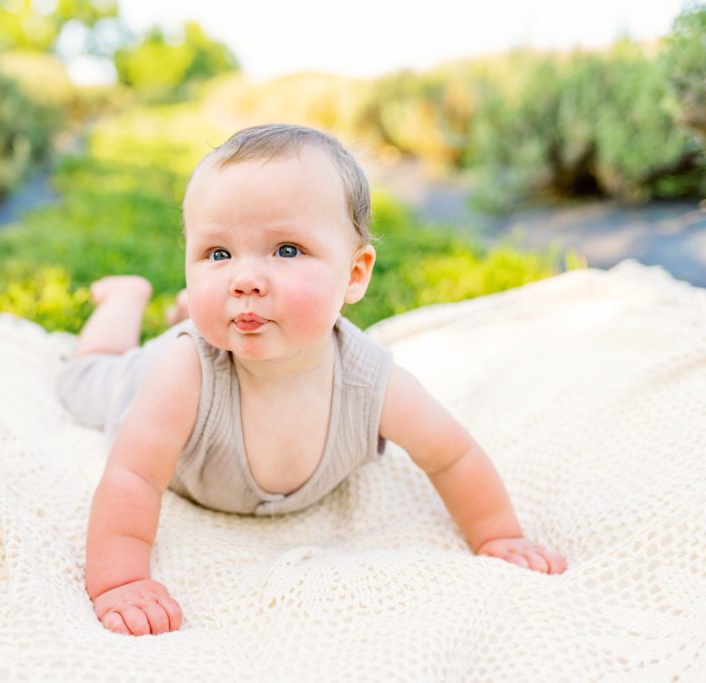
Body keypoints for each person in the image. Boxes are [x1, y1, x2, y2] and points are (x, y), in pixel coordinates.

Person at [56, 124, 568, 637]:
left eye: (285, 250)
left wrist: (498, 536)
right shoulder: (184, 371)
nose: (245, 278)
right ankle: (126, 300)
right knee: (84, 379)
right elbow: (134, 477)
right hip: (140, 384)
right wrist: (120, 581)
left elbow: (453, 455)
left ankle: (185, 310)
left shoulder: (371, 381)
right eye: (218, 254)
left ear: (354, 274)